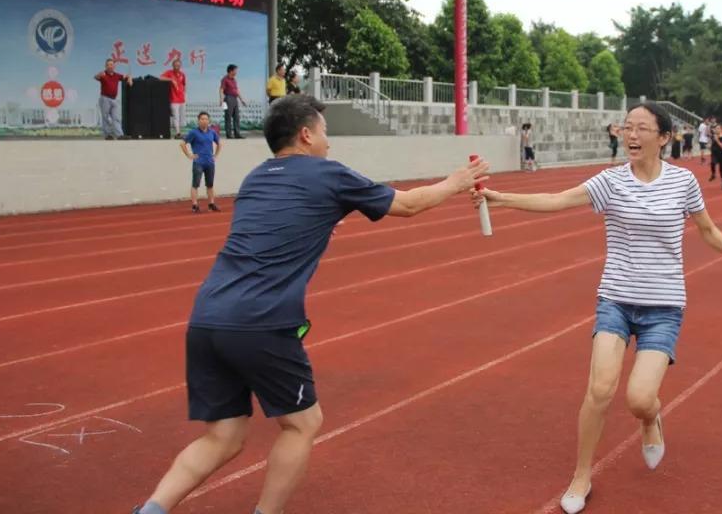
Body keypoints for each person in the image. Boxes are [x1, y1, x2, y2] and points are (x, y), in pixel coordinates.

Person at [131, 94, 489, 514]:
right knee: (302, 423)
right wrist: (456, 182)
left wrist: (321, 220)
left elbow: (280, 224)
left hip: (207, 317)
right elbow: (407, 205)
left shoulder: (255, 178)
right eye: (324, 132)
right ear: (305, 135)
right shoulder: (328, 174)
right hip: (262, 320)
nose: (328, 143)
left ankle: (151, 510)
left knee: (222, 437)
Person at [470, 102, 722, 514]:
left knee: (639, 399)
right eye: (627, 127)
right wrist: (500, 198)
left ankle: (649, 419)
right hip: (616, 300)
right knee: (600, 390)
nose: (631, 135)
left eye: (641, 128)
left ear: (664, 138)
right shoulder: (610, 181)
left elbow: (706, 228)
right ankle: (582, 475)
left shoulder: (684, 182)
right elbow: (558, 199)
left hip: (663, 306)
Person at [180, 111, 222, 213]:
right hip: (198, 162)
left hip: (209, 162)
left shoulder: (212, 132)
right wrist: (189, 155)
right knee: (195, 184)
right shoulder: (193, 132)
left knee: (210, 184)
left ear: (208, 121)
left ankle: (211, 204)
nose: (204, 121)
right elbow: (182, 144)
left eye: (206, 119)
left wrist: (215, 155)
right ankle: (195, 205)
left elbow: (219, 143)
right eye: (202, 119)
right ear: (198, 121)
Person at [95, 58, 132, 140]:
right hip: (105, 99)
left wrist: (129, 79)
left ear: (114, 66)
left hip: (114, 99)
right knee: (106, 118)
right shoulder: (103, 74)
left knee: (116, 118)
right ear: (105, 66)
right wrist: (98, 75)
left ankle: (120, 135)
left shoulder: (117, 75)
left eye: (111, 65)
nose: (110, 66)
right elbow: (96, 77)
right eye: (108, 65)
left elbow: (126, 76)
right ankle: (108, 135)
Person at [160, 59, 187, 139]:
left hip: (181, 98)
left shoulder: (182, 74)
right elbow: (161, 78)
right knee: (176, 116)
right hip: (174, 98)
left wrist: (184, 92)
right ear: (173, 66)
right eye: (175, 65)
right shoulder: (169, 73)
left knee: (181, 116)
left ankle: (180, 132)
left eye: (178, 65)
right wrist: (171, 80)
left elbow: (184, 84)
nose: (177, 67)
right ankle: (178, 133)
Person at [219, 64, 247, 139]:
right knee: (228, 117)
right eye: (235, 70)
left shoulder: (234, 80)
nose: (236, 72)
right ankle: (229, 134)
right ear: (231, 71)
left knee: (236, 117)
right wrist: (221, 99)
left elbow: (237, 91)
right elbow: (221, 89)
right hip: (228, 98)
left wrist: (242, 99)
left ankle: (237, 134)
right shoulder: (225, 79)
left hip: (235, 98)